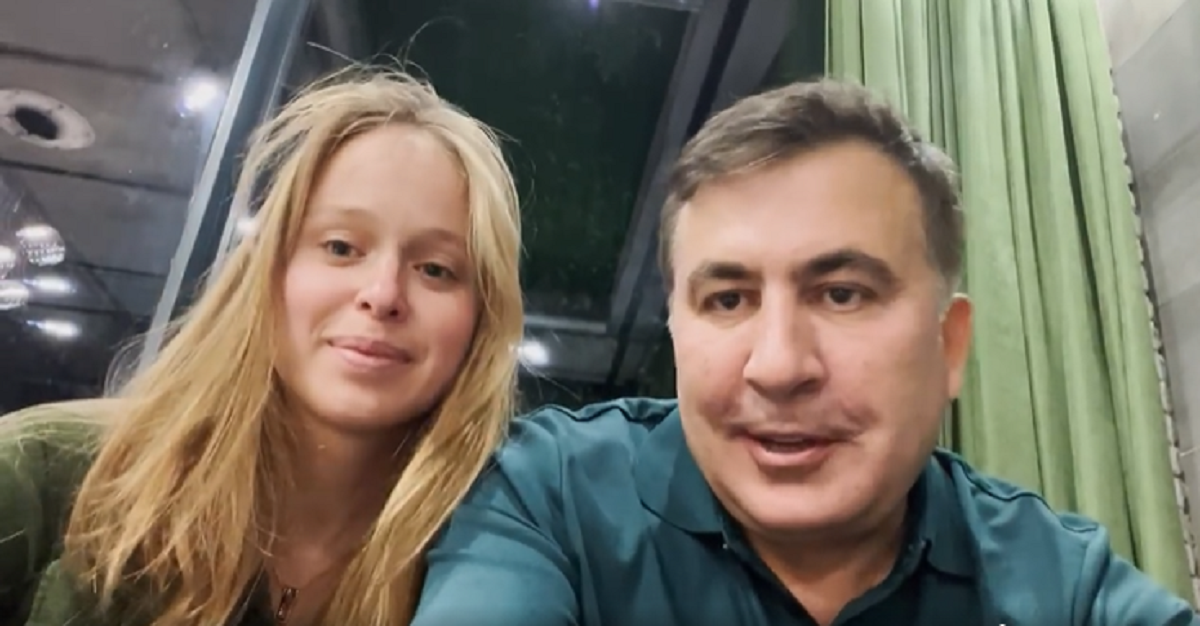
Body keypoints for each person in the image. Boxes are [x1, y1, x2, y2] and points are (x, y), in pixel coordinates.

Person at [412, 79, 1199, 625]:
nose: (780, 366)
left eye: (842, 293)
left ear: (948, 344)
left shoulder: (1062, 587)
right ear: (678, 336)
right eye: (729, 300)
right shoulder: (550, 496)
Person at [0, 66, 523, 626]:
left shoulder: (497, 566)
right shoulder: (39, 472)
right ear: (269, 272)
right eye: (341, 246)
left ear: (482, 320)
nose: (382, 294)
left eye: (436, 269)